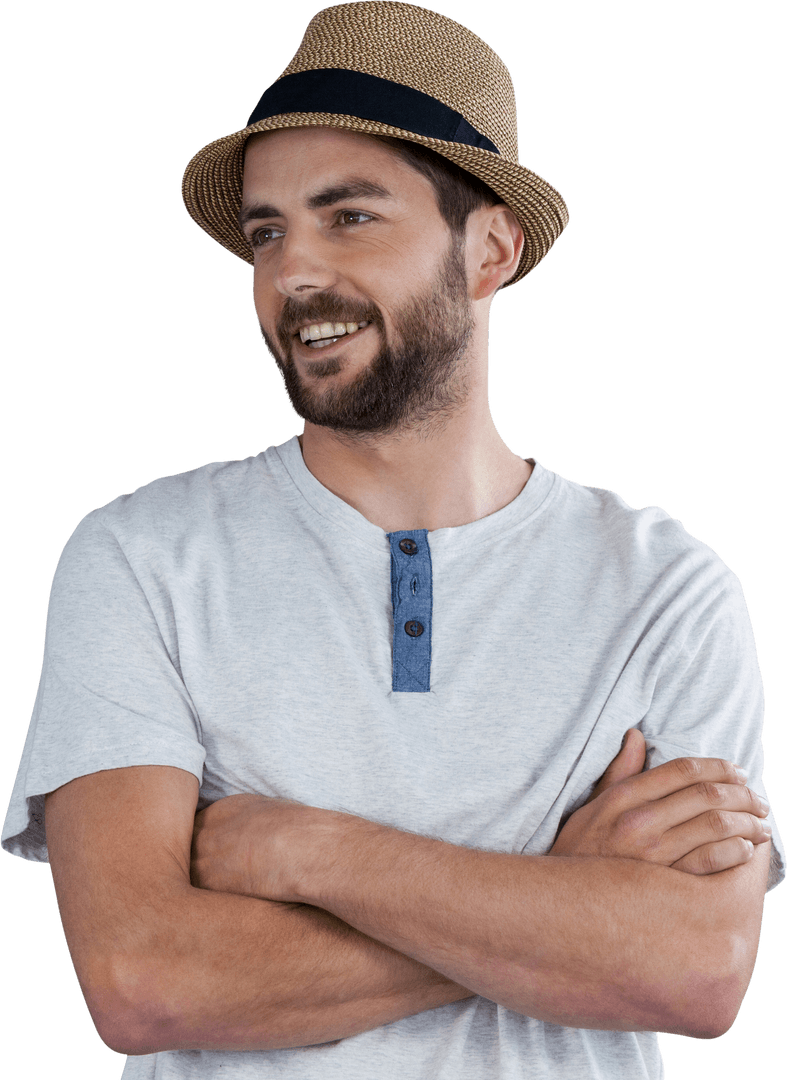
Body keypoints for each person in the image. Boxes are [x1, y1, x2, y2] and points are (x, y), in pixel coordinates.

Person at [1, 3, 784, 1078]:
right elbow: (142, 979)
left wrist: (307, 851)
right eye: (268, 231)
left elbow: (695, 971)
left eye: (350, 216)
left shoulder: (666, 589)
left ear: (491, 250)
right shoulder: (140, 557)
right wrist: (560, 891)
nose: (293, 274)